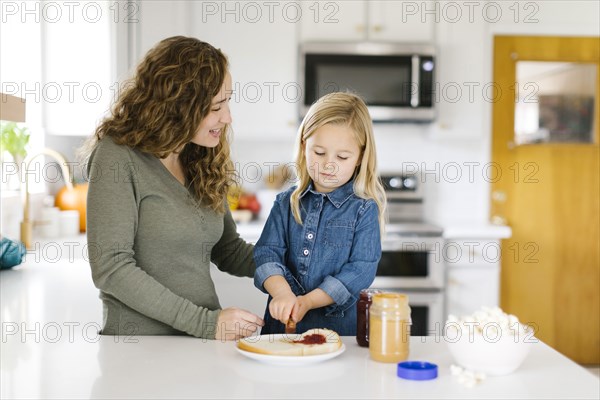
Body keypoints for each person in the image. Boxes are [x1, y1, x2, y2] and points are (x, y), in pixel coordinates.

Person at [82, 36, 264, 340]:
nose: (228, 117)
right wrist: (206, 323)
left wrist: (295, 262)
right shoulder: (117, 156)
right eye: (216, 107)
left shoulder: (200, 155)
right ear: (179, 105)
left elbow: (228, 250)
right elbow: (111, 268)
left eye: (228, 102)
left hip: (199, 343)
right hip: (138, 349)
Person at [253, 92, 387, 336]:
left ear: (360, 157)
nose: (329, 165)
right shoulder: (286, 202)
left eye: (342, 156)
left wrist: (308, 302)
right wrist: (283, 293)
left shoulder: (364, 210)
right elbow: (266, 253)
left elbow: (360, 270)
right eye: (319, 153)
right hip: (282, 331)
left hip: (339, 334)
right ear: (304, 145)